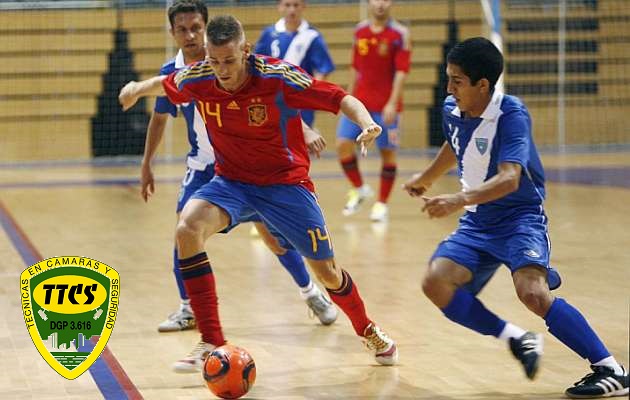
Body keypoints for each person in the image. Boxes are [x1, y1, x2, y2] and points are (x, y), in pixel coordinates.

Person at [119, 14, 398, 372]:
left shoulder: (278, 77)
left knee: (327, 273)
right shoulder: (200, 75)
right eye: (215, 60)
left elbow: (339, 97)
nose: (222, 70)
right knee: (187, 228)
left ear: (246, 51)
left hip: (285, 185)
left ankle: (367, 328)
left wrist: (367, 123)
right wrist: (137, 88)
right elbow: (165, 83)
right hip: (232, 183)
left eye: (230, 61)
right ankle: (212, 340)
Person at [403, 37, 628, 399]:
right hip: (477, 221)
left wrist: (457, 199)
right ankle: (518, 338)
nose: (449, 88)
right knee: (436, 283)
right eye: (449, 78)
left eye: (457, 81)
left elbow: (510, 178)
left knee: (533, 293)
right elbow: (455, 142)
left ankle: (610, 369)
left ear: (483, 85)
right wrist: (427, 177)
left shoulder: (511, 115)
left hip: (519, 218)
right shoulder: (451, 108)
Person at [145, 0, 337, 333]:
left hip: (246, 164)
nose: (190, 35)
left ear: (207, 31)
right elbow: (160, 118)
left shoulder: (233, 64)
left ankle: (310, 292)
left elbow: (275, 102)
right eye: (182, 29)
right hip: (205, 165)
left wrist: (303, 129)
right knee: (184, 230)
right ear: (172, 32)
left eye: (196, 28)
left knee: (272, 235)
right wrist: (147, 163)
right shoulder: (171, 74)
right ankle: (189, 308)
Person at [336, 0, 410, 222]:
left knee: (387, 153)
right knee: (342, 145)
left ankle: (381, 204)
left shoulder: (400, 33)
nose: (380, 4)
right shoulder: (360, 30)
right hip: (360, 103)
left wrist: (392, 103)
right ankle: (360, 188)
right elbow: (355, 67)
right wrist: (346, 98)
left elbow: (401, 72)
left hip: (386, 105)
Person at [254, 0, 335, 127]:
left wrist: (310, 94)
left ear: (303, 6)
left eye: (296, 5)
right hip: (272, 99)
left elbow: (322, 70)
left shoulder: (312, 36)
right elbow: (256, 65)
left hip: (300, 102)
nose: (292, 10)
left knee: (300, 140)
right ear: (279, 7)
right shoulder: (269, 34)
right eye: (287, 5)